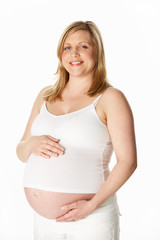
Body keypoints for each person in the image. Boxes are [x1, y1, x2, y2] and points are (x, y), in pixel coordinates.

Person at [16, 20, 137, 240]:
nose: (74, 53)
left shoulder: (110, 98)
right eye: (67, 47)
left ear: (97, 52)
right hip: (44, 222)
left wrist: (92, 205)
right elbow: (21, 150)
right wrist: (31, 144)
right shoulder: (45, 95)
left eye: (83, 46)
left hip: (91, 220)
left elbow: (128, 162)